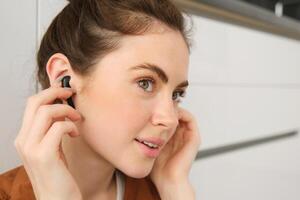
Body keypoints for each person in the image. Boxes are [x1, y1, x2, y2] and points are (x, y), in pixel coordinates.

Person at [0, 0, 201, 199]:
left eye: (176, 94)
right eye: (145, 83)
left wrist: (175, 187)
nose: (170, 120)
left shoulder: (161, 192)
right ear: (64, 79)